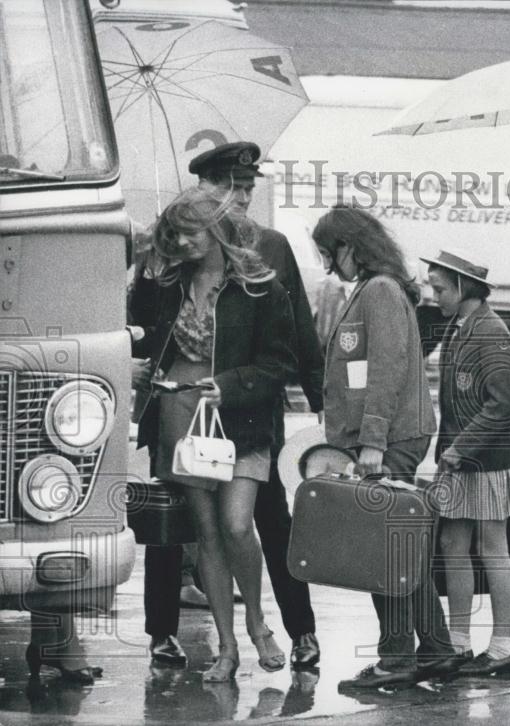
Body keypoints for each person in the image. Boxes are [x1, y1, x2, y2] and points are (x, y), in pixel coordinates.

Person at [139, 142, 324, 669]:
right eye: (232, 186)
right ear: (209, 190)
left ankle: (283, 627)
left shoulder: (269, 254)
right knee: (192, 530)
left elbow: (296, 343)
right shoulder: (169, 262)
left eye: (248, 186)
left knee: (251, 522)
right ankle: (195, 639)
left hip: (245, 413)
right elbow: (146, 329)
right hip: (184, 412)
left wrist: (319, 403)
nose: (242, 195)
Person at [312, 205, 457, 689]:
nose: (331, 266)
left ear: (351, 247)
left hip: (390, 438)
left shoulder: (379, 291)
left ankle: (396, 659)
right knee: (400, 547)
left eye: (332, 254)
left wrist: (372, 441)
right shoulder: (377, 291)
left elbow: (386, 371)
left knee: (382, 552)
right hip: (386, 435)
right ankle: (434, 650)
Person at [421, 250, 510, 677]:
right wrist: (448, 454)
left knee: (492, 548)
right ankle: (458, 644)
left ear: (462, 288)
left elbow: (504, 406)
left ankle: (502, 648)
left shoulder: (490, 332)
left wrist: (457, 450)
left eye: (439, 288)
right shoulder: (460, 327)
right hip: (461, 460)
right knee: (453, 546)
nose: (432, 295)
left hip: (487, 462)